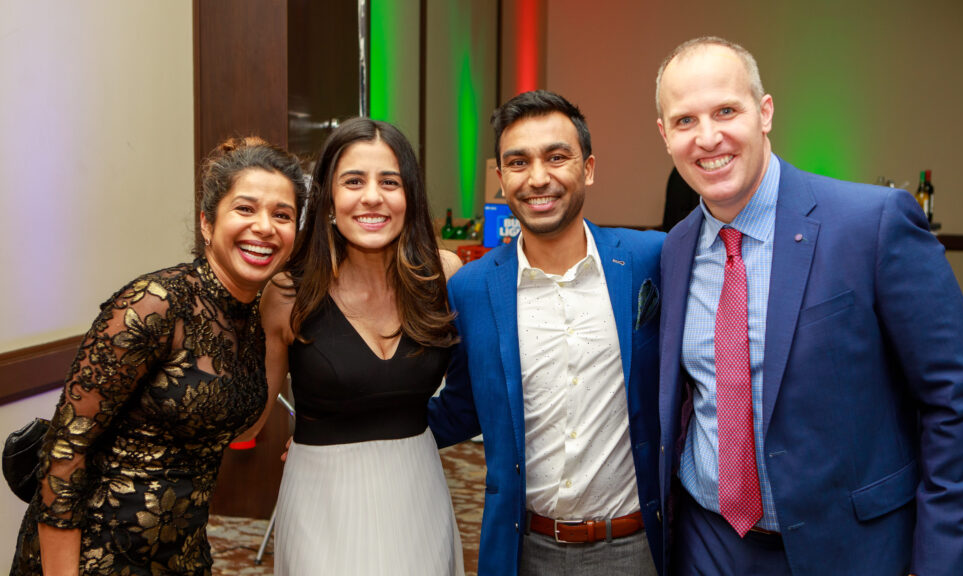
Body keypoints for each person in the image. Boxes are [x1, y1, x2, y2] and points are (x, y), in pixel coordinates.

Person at [654, 37, 963, 576]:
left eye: (726, 111)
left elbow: (958, 405)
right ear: (665, 136)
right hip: (709, 544)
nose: (709, 137)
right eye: (685, 120)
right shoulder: (674, 249)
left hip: (849, 551)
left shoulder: (873, 225)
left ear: (764, 113)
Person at [10, 136, 305, 575]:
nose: (265, 226)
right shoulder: (156, 304)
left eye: (282, 215)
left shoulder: (250, 320)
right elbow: (64, 452)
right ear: (207, 223)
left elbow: (243, 422)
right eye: (245, 209)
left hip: (181, 555)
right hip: (94, 557)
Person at [429, 90, 665, 576]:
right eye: (518, 162)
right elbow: (460, 408)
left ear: (589, 168)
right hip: (523, 546)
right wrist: (351, 433)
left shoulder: (652, 260)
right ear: (501, 178)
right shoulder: (471, 289)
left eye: (556, 157)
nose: (538, 178)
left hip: (637, 544)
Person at [251, 117, 464, 575]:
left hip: (416, 492)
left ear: (409, 195)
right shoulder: (288, 294)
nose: (372, 196)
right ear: (328, 197)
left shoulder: (441, 276)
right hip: (321, 497)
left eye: (390, 181)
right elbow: (247, 423)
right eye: (354, 181)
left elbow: (478, 386)